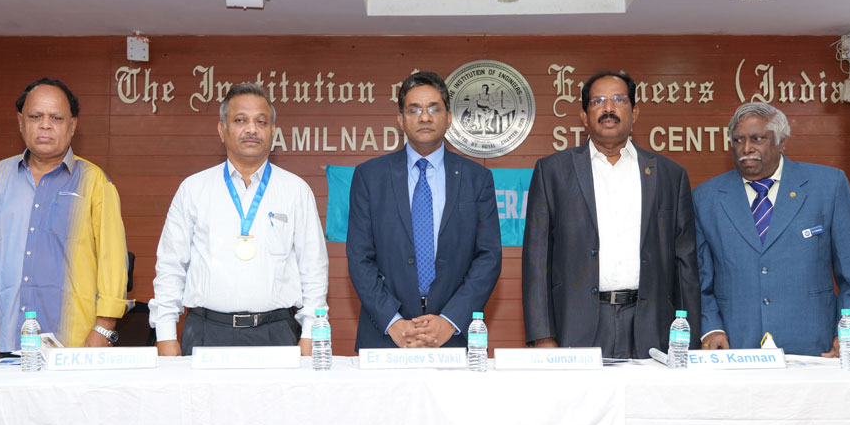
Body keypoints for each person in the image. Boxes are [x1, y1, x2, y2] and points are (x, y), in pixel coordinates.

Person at [522, 70, 700, 358]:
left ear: (635, 112)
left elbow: (686, 264)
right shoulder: (552, 172)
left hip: (652, 325)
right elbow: (536, 258)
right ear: (584, 116)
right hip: (576, 325)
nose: (608, 108)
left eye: (618, 100)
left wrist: (689, 338)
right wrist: (542, 335)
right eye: (598, 101)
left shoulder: (670, 175)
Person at [0, 78, 130, 362]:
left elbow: (113, 262)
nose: (45, 125)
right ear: (21, 122)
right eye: (36, 116)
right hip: (1, 342)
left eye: (56, 118)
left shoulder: (95, 182)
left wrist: (104, 329)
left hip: (73, 347)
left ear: (72, 125)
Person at [149, 83, 328, 356]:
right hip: (206, 332)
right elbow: (171, 266)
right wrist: (165, 335)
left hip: (276, 333)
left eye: (261, 122)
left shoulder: (296, 190)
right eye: (240, 120)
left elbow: (313, 269)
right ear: (222, 130)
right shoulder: (193, 189)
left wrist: (311, 334)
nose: (251, 129)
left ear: (273, 131)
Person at [693, 102, 850, 357]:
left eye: (757, 139)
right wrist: (711, 328)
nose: (746, 148)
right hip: (735, 345)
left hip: (814, 346)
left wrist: (849, 334)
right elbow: (699, 278)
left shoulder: (828, 186)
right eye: (738, 140)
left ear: (782, 142)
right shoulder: (706, 197)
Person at [346, 71, 502, 350]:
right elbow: (360, 258)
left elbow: (488, 257)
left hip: (453, 335)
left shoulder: (477, 179)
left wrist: (450, 320)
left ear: (449, 117)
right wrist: (393, 321)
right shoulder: (369, 177)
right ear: (400, 119)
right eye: (414, 109)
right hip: (385, 335)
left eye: (434, 109)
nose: (425, 117)